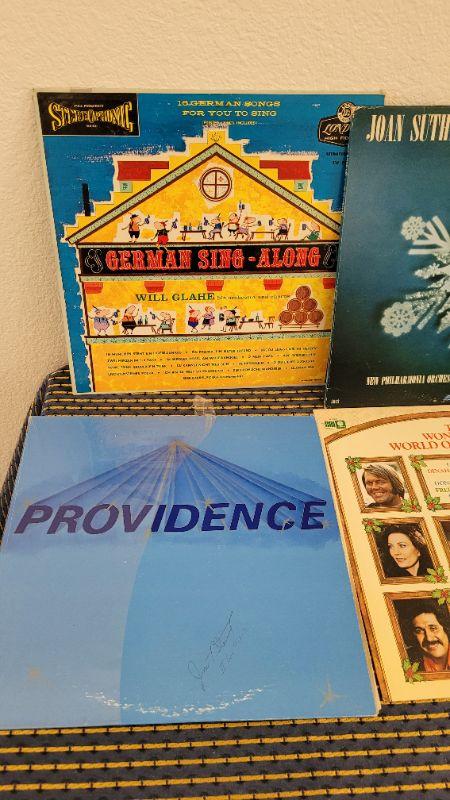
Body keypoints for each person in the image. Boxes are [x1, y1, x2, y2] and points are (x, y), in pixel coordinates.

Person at [400, 600, 450, 672]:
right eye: (419, 631)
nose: (429, 638)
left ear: (446, 628)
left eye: (433, 628)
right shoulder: (406, 660)